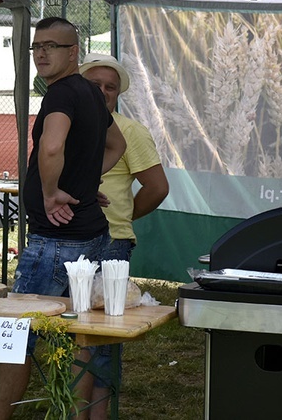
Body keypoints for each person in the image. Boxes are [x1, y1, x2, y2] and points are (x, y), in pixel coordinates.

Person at [0, 17, 126, 420]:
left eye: (52, 46)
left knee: (15, 335)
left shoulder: (62, 94)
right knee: (82, 332)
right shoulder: (89, 93)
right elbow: (114, 143)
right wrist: (83, 180)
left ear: (73, 52)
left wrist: (51, 193)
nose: (42, 53)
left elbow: (51, 147)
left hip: (55, 240)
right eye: (36, 46)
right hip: (90, 234)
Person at [76, 53, 169, 419]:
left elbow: (157, 187)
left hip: (111, 242)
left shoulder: (130, 132)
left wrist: (125, 215)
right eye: (94, 85)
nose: (102, 92)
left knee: (101, 338)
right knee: (75, 334)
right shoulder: (67, 126)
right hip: (72, 241)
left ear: (117, 95)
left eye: (109, 87)